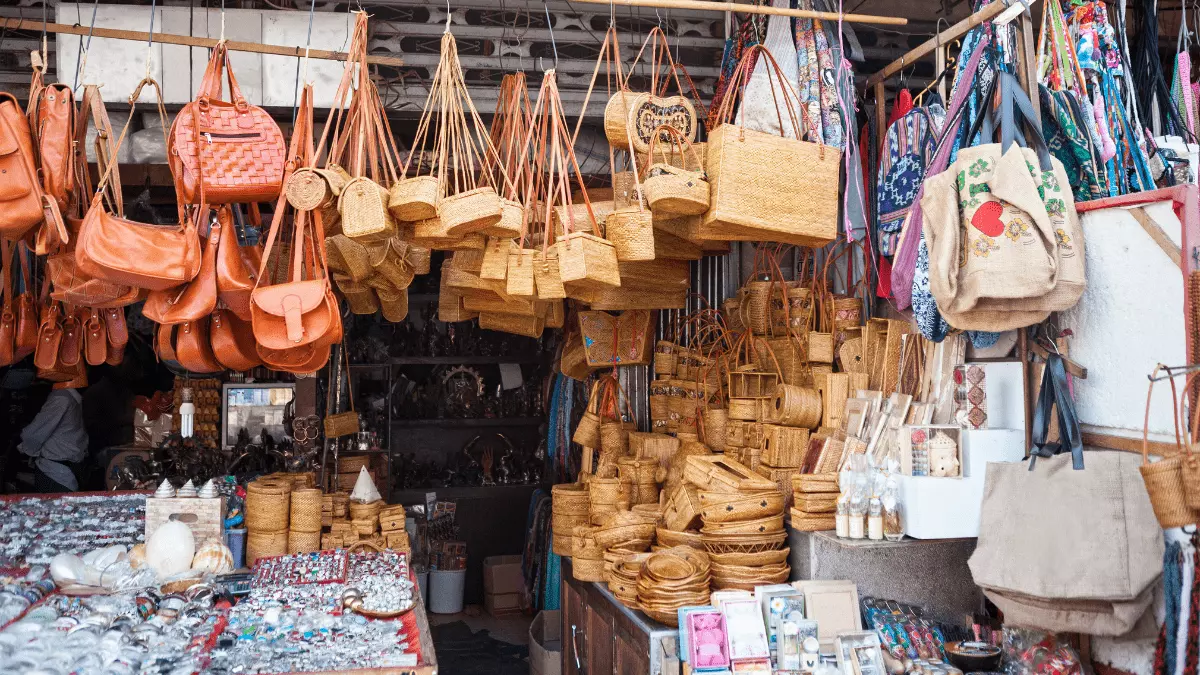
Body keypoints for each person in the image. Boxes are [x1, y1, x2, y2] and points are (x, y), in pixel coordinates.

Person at [19, 383, 89, 492]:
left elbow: (34, 434)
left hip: (55, 472)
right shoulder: (73, 397)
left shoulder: (60, 397)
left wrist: (24, 447)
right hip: (70, 468)